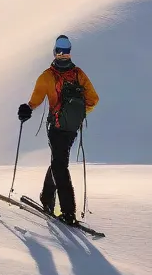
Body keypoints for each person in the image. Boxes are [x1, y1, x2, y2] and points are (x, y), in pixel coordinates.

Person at [17, 34, 99, 224]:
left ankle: (68, 212)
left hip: (55, 127)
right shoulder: (79, 74)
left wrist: (27, 109)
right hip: (71, 129)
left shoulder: (47, 76)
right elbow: (94, 99)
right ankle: (46, 199)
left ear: (55, 52)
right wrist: (78, 114)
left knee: (59, 164)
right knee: (58, 161)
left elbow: (35, 100)